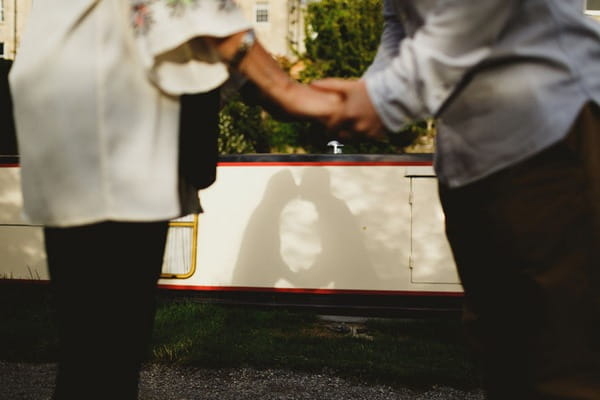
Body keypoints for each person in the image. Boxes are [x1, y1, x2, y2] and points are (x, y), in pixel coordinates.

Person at [8, 1, 340, 399]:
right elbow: (193, 12)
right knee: (109, 349)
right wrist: (286, 91)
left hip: (78, 121)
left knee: (89, 347)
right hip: (117, 136)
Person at [312, 1, 600, 399]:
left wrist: (382, 99)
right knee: (502, 352)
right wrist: (366, 92)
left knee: (563, 359)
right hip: (473, 159)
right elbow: (402, 25)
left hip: (547, 132)